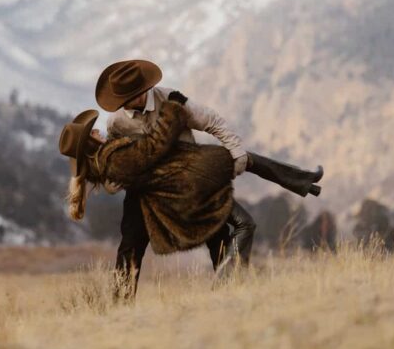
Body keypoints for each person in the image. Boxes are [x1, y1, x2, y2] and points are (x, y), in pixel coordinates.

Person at [94, 59, 323, 296]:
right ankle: (120, 303)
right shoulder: (116, 123)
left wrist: (236, 151)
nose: (138, 99)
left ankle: (228, 294)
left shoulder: (172, 100)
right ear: (121, 100)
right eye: (130, 98)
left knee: (219, 234)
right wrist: (115, 182)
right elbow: (117, 159)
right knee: (131, 242)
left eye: (140, 92)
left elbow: (211, 120)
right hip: (146, 190)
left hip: (191, 181)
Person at [59, 96, 244, 300]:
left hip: (145, 194)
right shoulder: (114, 146)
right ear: (90, 143)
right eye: (92, 132)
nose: (97, 131)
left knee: (130, 249)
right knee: (213, 228)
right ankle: (231, 287)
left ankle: (121, 302)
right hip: (161, 189)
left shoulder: (106, 153)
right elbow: (154, 146)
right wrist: (172, 109)